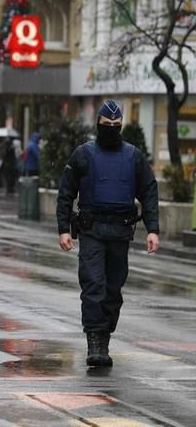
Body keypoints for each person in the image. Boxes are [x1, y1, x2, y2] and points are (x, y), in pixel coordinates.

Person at [57, 100, 159, 367]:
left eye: (116, 126)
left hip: (120, 232)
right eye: (107, 126)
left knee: (113, 289)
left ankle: (104, 334)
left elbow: (148, 192)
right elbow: (66, 193)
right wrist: (63, 230)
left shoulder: (133, 157)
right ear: (98, 125)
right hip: (91, 231)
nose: (111, 129)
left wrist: (153, 229)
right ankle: (96, 342)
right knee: (93, 286)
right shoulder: (83, 154)